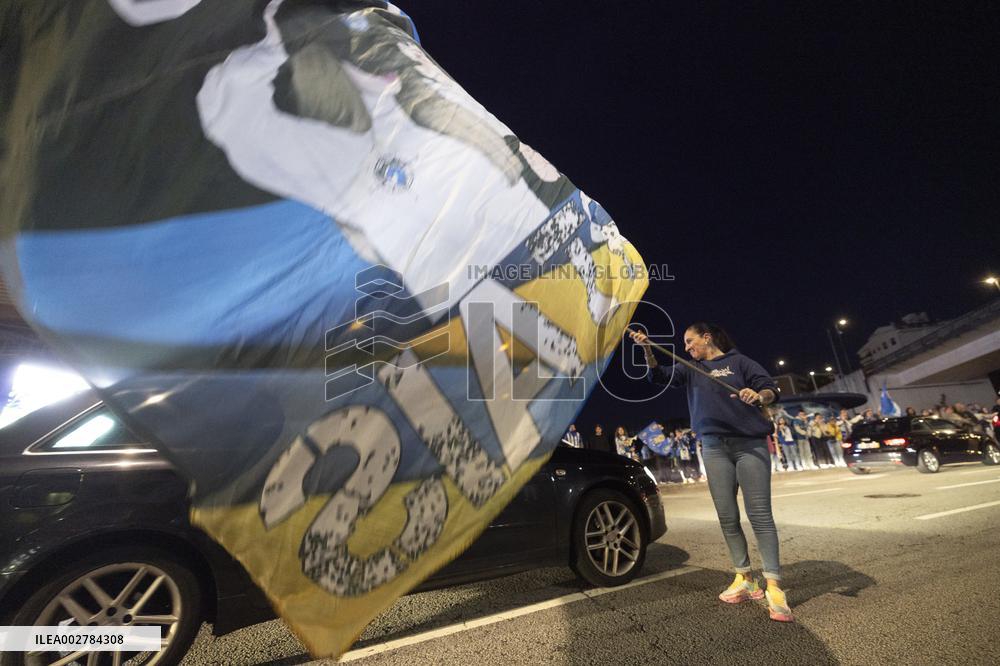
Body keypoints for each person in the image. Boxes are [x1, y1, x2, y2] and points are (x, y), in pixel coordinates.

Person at [631, 323, 793, 622]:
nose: (687, 348)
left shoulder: (740, 362)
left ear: (707, 338)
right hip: (714, 447)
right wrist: (647, 349)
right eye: (684, 344)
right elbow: (658, 376)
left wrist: (759, 396)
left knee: (759, 514)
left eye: (690, 341)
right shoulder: (691, 368)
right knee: (727, 516)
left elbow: (771, 389)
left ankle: (774, 585)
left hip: (750, 445)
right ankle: (745, 578)